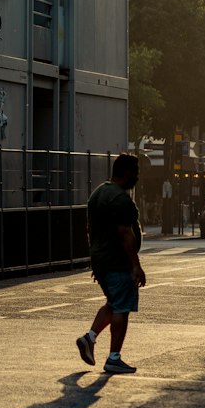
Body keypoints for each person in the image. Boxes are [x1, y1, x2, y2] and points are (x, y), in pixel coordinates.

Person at [76, 152, 146, 374]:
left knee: (113, 303)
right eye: (136, 172)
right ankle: (114, 357)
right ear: (126, 173)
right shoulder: (119, 198)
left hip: (102, 260)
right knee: (121, 308)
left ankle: (90, 337)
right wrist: (136, 266)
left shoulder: (98, 193)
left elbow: (91, 230)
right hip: (118, 262)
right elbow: (125, 234)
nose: (138, 176)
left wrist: (98, 262)